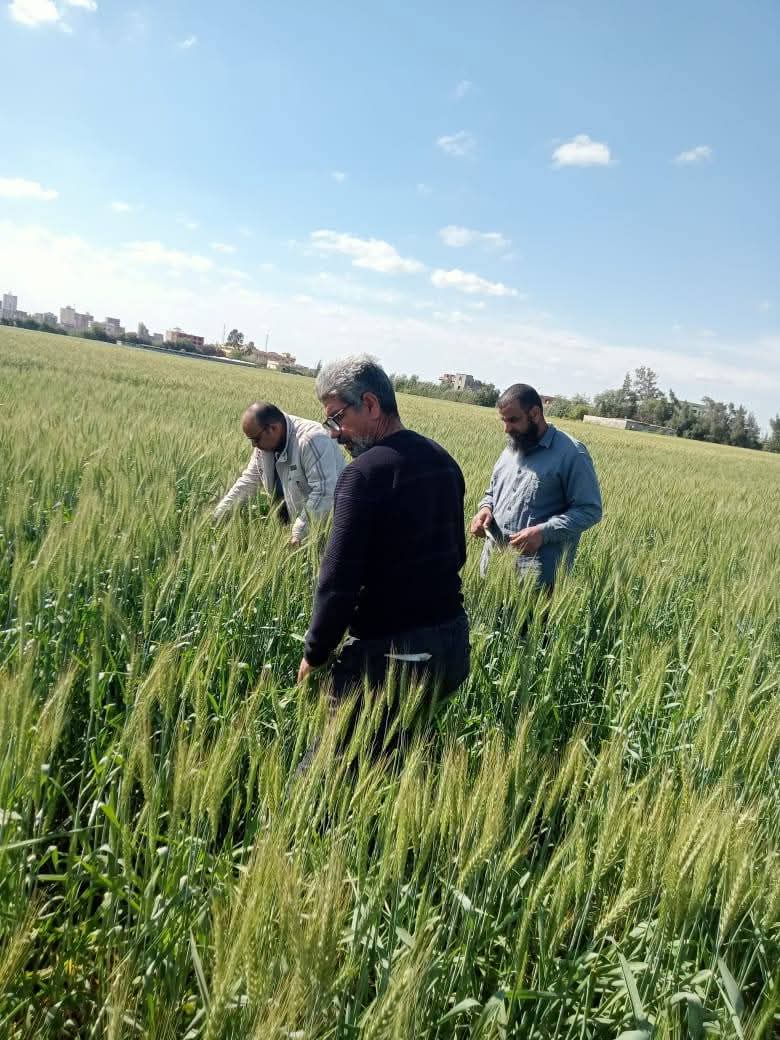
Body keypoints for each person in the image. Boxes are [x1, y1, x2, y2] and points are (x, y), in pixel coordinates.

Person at [296, 355, 470, 745]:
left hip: (392, 657)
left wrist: (316, 653)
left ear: (371, 405)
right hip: (452, 648)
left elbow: (338, 581)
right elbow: (457, 555)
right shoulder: (445, 461)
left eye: (337, 418)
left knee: (329, 767)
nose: (335, 434)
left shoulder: (362, 475)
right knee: (400, 756)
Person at [470, 383, 602, 587]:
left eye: (513, 420)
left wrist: (543, 533)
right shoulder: (511, 448)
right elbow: (493, 492)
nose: (506, 429)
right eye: (504, 420)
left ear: (534, 414)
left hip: (536, 580)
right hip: (493, 570)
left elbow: (589, 510)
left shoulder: (572, 454)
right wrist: (485, 509)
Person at [213, 401, 345, 545]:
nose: (254, 445)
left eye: (255, 439)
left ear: (273, 428)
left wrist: (298, 533)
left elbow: (324, 492)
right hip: (291, 526)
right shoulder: (265, 445)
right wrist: (218, 514)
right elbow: (249, 480)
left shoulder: (312, 440)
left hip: (328, 531)